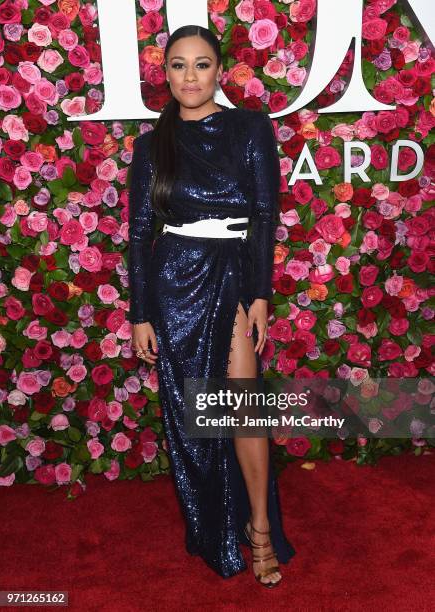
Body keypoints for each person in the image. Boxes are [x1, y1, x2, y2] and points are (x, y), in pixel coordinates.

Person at [127, 24, 296, 587]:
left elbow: (265, 219)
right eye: (178, 65)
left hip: (230, 275)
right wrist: (140, 313)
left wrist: (259, 295)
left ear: (220, 71)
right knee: (195, 418)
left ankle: (259, 528)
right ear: (166, 74)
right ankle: (216, 525)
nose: (190, 76)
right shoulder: (152, 145)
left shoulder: (250, 128)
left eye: (202, 64)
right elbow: (138, 234)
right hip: (174, 281)